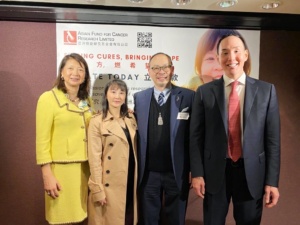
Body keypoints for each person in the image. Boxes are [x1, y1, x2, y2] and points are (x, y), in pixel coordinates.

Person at [190, 33, 280, 225]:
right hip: (215, 173)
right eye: (224, 52)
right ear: (220, 57)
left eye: (236, 51)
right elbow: (195, 137)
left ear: (246, 55)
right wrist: (197, 173)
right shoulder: (204, 92)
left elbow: (272, 141)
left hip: (251, 174)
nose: (231, 58)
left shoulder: (266, 91)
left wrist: (272, 181)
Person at [134, 52, 194, 225]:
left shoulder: (188, 97)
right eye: (155, 68)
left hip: (177, 173)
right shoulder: (139, 98)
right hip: (149, 174)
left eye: (165, 67)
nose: (160, 71)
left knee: (176, 219)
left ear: (172, 69)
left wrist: (194, 170)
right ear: (149, 70)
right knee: (149, 220)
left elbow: (194, 137)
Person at [36, 53, 94, 225]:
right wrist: (47, 175)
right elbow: (42, 140)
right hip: (60, 171)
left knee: (81, 218)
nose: (75, 73)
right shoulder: (48, 98)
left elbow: (100, 123)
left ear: (85, 76)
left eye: (80, 69)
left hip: (84, 169)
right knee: (61, 219)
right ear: (62, 72)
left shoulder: (88, 101)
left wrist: (123, 112)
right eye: (70, 68)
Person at [87, 79, 138, 225]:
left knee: (127, 218)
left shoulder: (131, 118)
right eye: (113, 91)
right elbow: (94, 158)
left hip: (129, 180)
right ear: (106, 95)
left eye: (122, 92)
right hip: (108, 184)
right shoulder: (97, 121)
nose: (117, 96)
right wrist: (98, 189)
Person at [187, 29, 252, 91]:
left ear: (245, 56)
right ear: (199, 68)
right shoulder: (189, 97)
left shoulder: (260, 90)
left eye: (236, 51)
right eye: (210, 58)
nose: (219, 67)